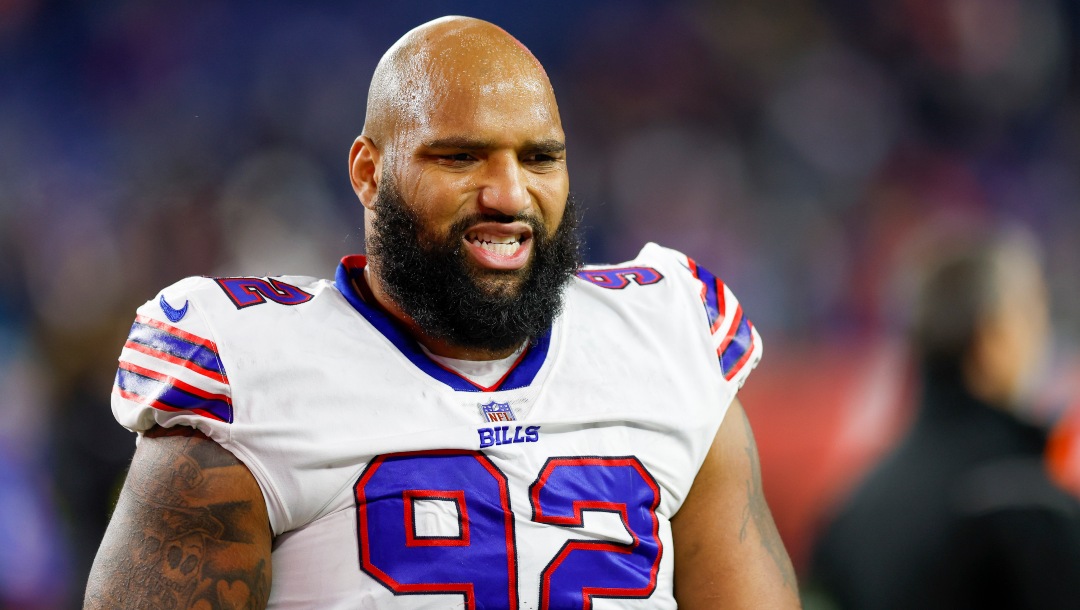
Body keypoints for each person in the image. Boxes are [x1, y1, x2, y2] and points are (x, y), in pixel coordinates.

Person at [84, 16, 800, 609]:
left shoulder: (668, 335)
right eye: (461, 158)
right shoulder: (249, 368)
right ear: (369, 172)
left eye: (539, 159)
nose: (509, 195)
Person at [809, 229, 1080, 609]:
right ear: (991, 340)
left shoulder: (854, 504)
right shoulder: (1022, 496)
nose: (1042, 335)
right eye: (1031, 314)